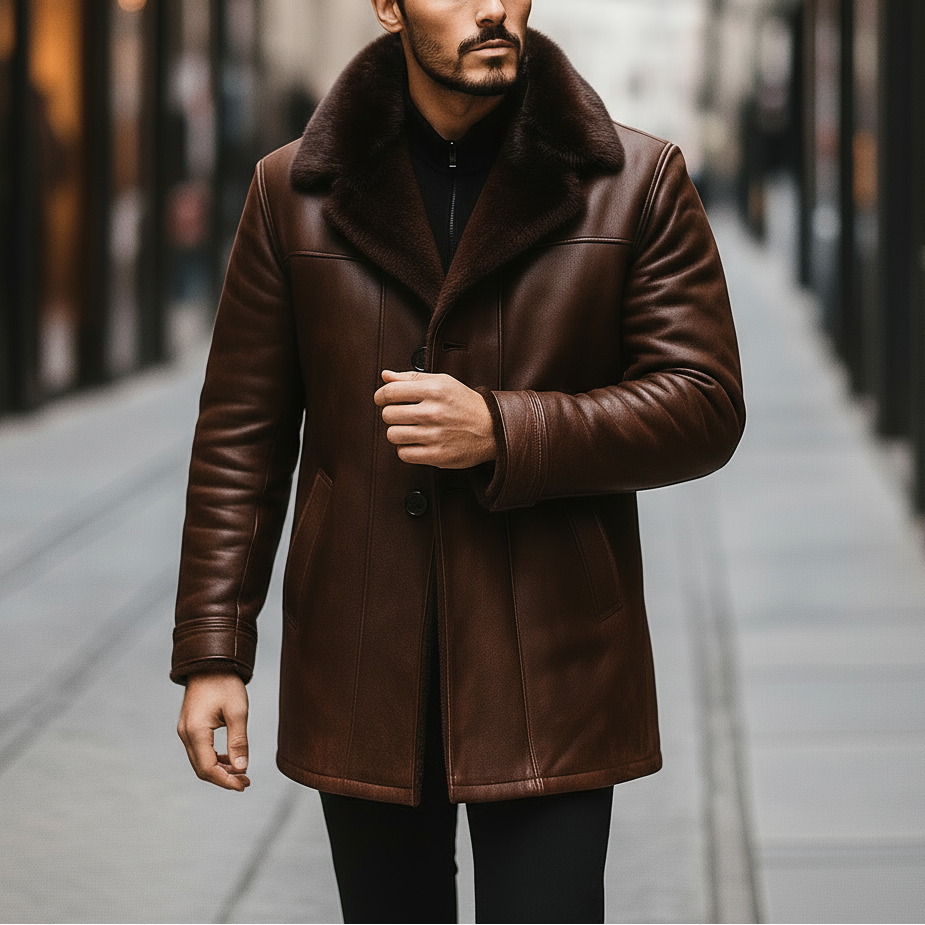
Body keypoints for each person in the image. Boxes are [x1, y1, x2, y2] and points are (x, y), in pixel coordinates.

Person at [172, 1, 745, 922]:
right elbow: (242, 429)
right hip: (363, 650)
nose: (491, 7)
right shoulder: (291, 191)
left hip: (552, 654)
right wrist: (212, 651)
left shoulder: (634, 179)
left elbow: (704, 403)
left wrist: (504, 429)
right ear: (388, 7)